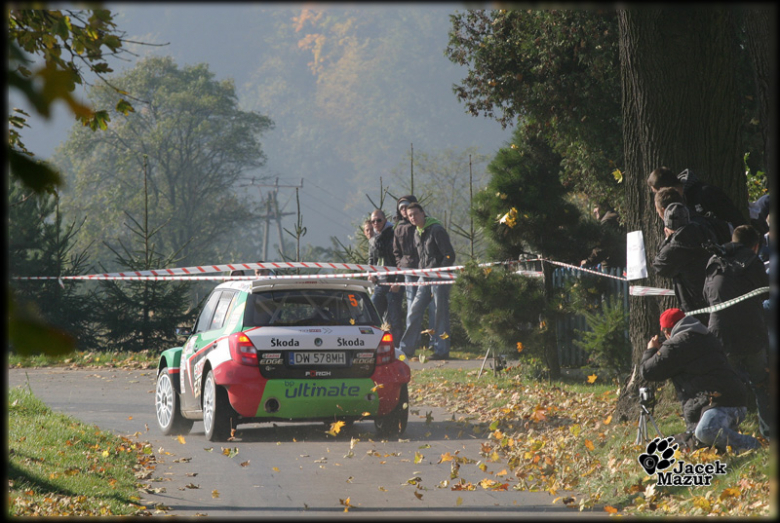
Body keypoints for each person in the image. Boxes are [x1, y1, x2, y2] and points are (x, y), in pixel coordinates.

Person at [640, 308, 760, 452]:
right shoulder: (705, 335)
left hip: (719, 405)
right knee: (699, 442)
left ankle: (752, 445)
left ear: (667, 331)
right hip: (736, 402)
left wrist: (652, 350)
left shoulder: (676, 344)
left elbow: (648, 371)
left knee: (705, 431)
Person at [703, 225, 772, 438]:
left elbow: (706, 294)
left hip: (720, 335)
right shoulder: (754, 262)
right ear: (756, 245)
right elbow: (765, 292)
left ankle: (722, 434)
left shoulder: (714, 259)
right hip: (752, 333)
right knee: (761, 383)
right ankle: (769, 432)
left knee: (724, 387)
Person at [397, 202, 456, 360]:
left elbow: (449, 255)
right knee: (414, 311)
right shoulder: (417, 232)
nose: (413, 217)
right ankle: (406, 349)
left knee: (439, 314)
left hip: (439, 278)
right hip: (424, 277)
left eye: (415, 214)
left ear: (423, 213)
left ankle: (441, 351)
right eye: (410, 215)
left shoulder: (436, 230)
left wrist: (440, 271)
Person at [647, 166, 745, 243]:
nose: (657, 198)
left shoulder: (705, 193)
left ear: (664, 189)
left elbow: (737, 221)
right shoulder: (675, 207)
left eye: (656, 193)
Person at [652, 202, 716, 320]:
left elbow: (659, 266)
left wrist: (667, 239)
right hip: (714, 296)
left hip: (693, 304)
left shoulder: (675, 247)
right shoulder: (703, 231)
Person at [392, 195, 435, 334]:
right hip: (409, 271)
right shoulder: (398, 228)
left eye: (406, 206)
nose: (404, 210)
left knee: (432, 306)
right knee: (412, 307)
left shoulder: (423, 225)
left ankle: (432, 339)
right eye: (401, 208)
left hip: (426, 269)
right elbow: (396, 251)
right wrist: (401, 265)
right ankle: (413, 341)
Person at [367, 209, 403, 346]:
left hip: (393, 283)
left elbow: (400, 260)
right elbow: (371, 260)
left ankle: (396, 347)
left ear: (385, 220)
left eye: (379, 220)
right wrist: (371, 274)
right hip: (379, 285)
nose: (376, 223)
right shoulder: (373, 239)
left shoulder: (394, 236)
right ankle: (374, 345)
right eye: (373, 221)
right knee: (373, 315)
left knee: (394, 318)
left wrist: (398, 281)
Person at [580, 201, 626, 272]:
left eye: (596, 207)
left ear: (604, 207)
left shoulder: (606, 221)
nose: (594, 210)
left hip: (614, 265)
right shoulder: (615, 215)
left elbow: (603, 247)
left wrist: (588, 261)